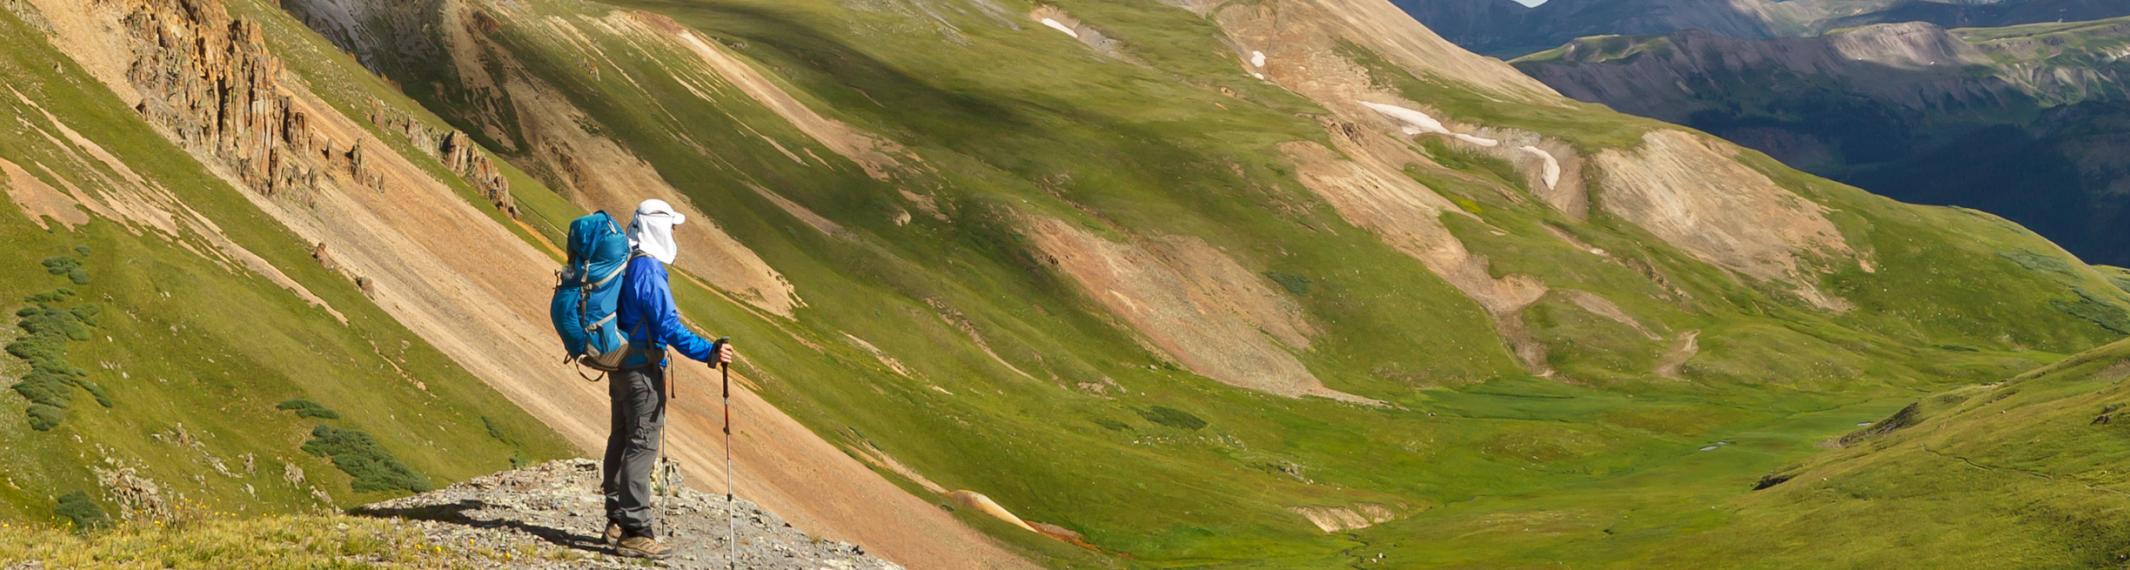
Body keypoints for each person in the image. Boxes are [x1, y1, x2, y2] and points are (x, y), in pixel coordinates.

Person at [603, 199, 736, 559]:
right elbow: (668, 326)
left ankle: (617, 518)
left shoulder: (630, 261)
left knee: (621, 438)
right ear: (660, 229)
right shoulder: (648, 269)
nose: (675, 233)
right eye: (672, 227)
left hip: (621, 365)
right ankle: (635, 530)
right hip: (642, 371)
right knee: (642, 444)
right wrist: (709, 352)